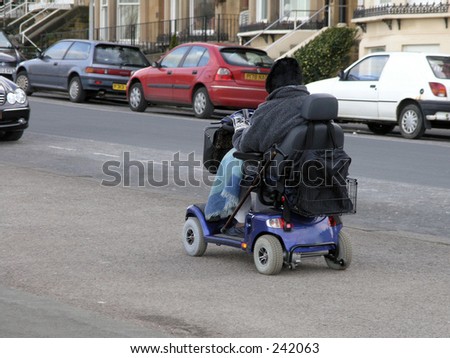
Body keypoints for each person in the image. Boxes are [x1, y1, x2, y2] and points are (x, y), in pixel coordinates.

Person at [205, 57, 310, 236]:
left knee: (235, 159)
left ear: (273, 85)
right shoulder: (313, 106)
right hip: (312, 167)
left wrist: (239, 129)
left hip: (281, 169)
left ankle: (238, 222)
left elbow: (246, 144)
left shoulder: (271, 109)